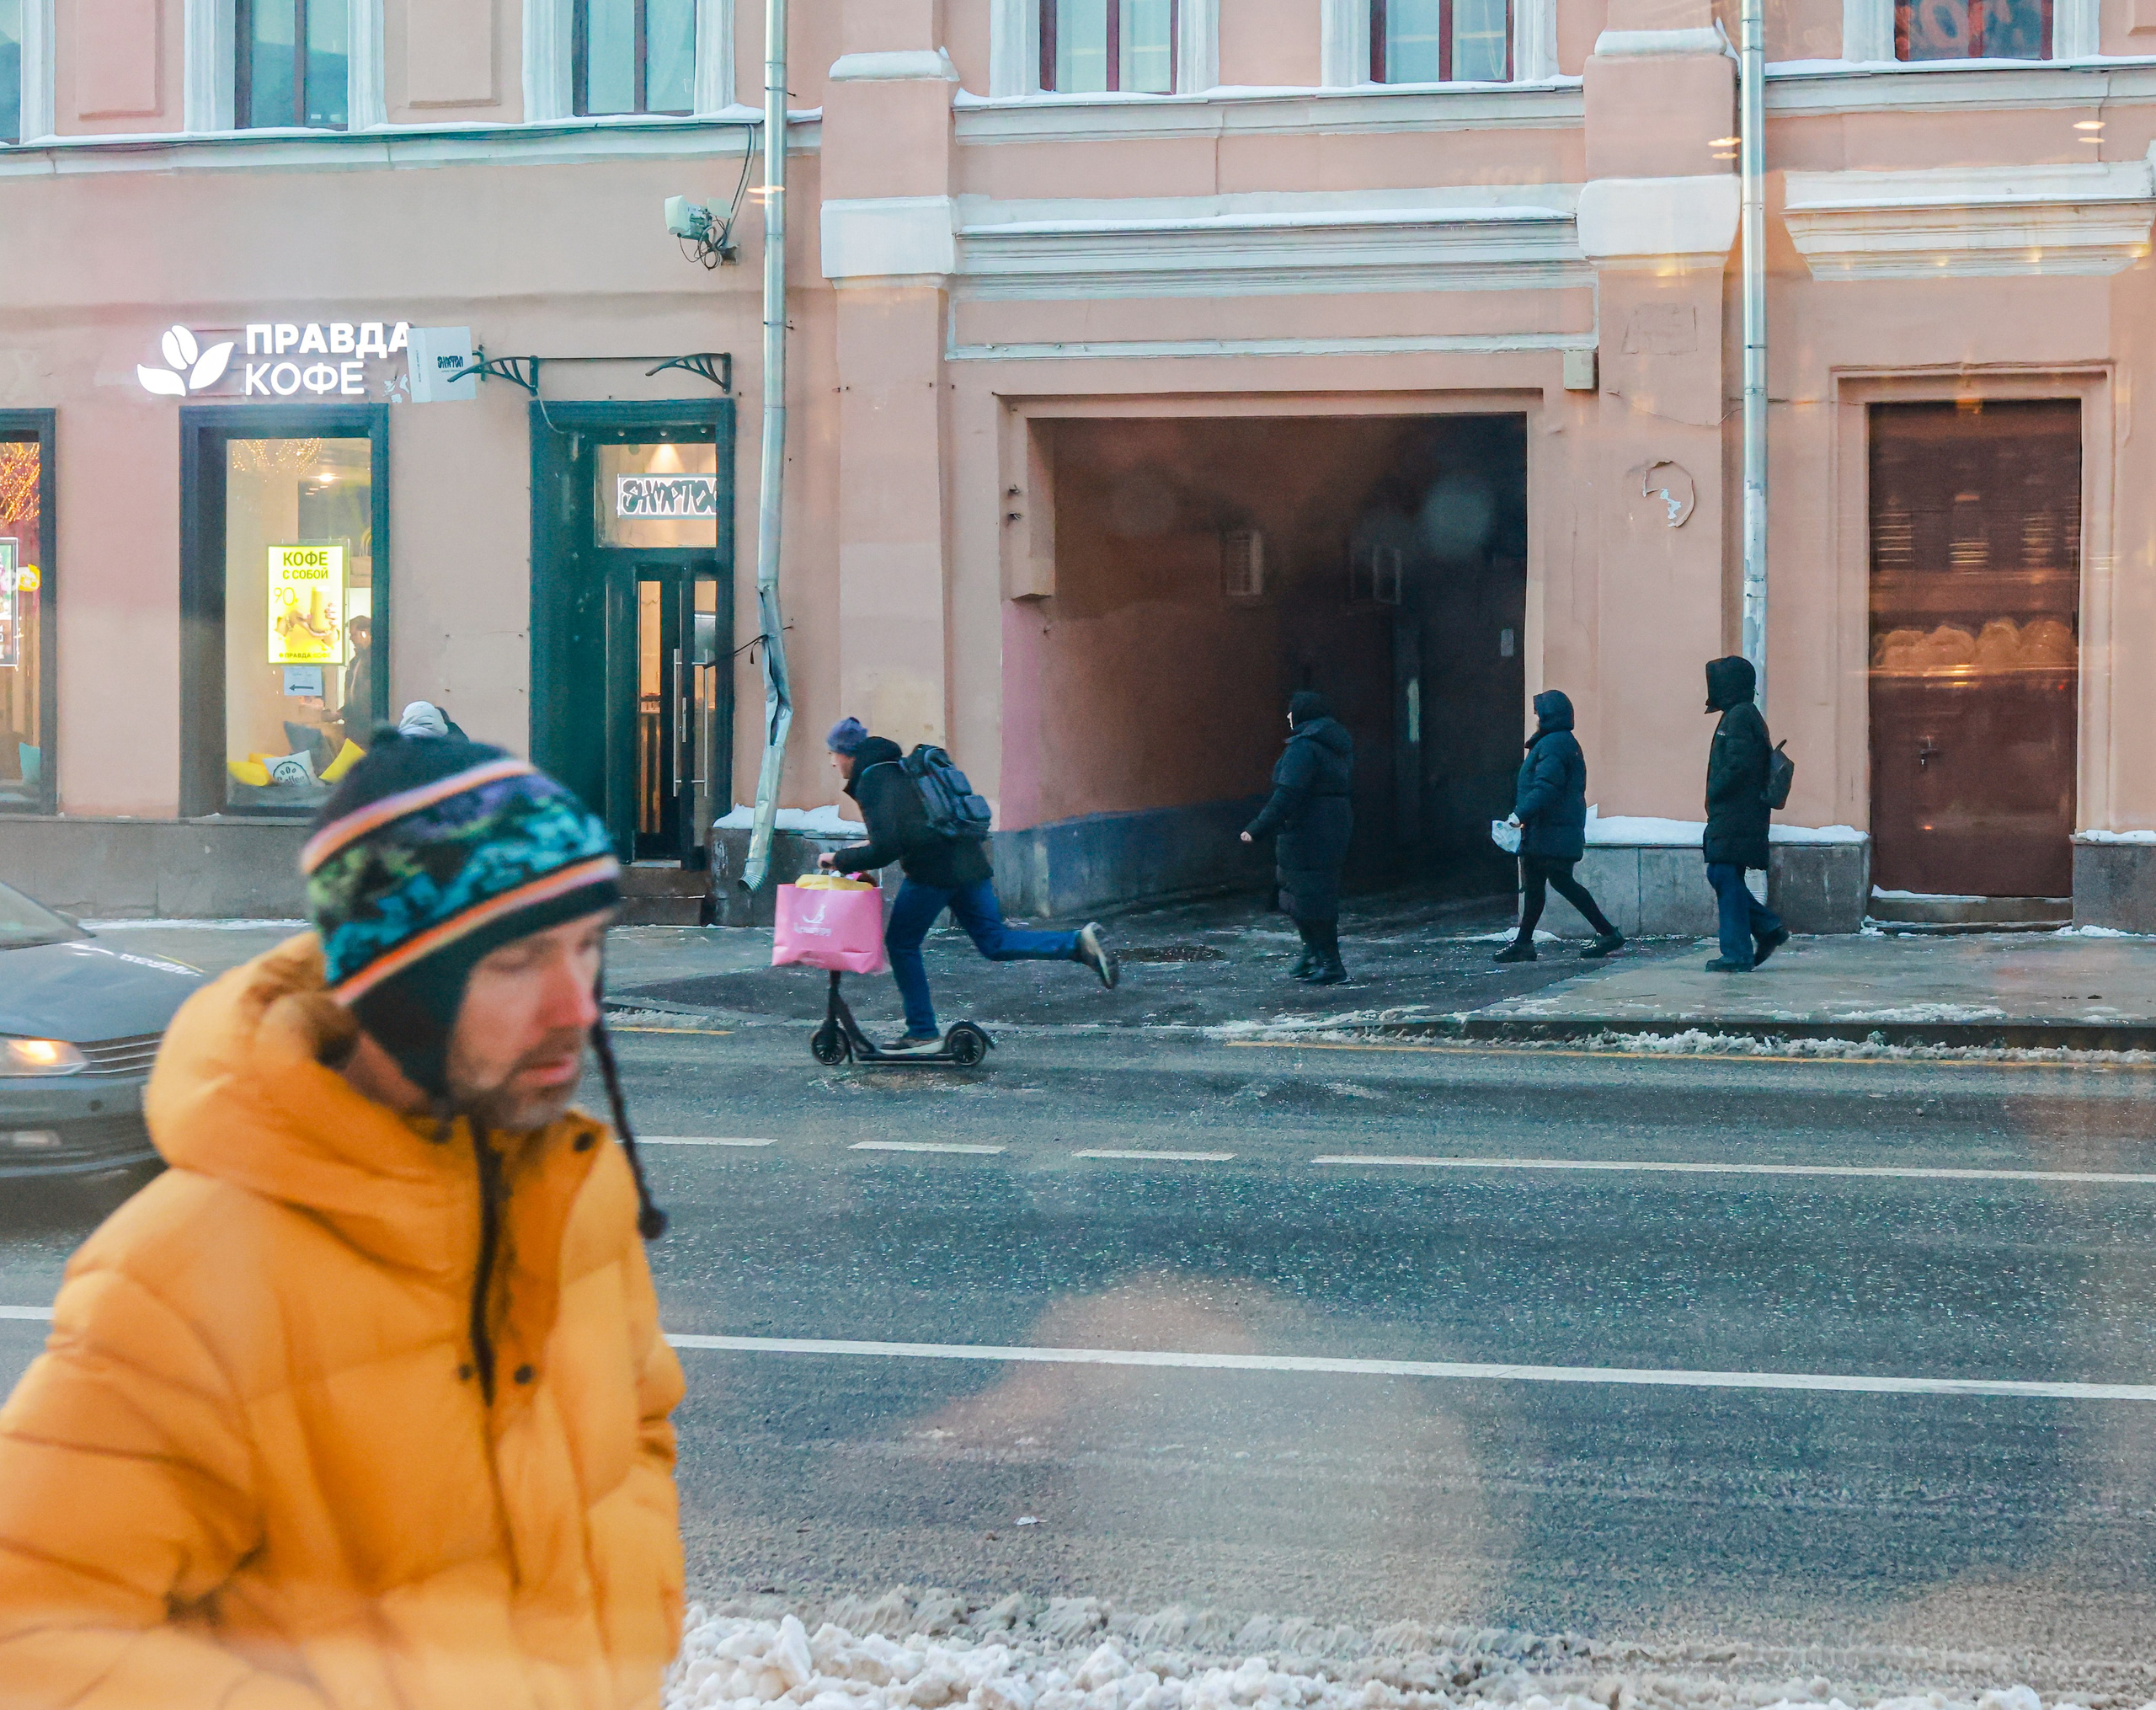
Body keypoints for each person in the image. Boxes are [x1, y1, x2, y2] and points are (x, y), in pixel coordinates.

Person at [0, 733, 686, 1706]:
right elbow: (30, 1632)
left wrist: (629, 1621)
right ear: (397, 982)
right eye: (517, 960)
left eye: (588, 947)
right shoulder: (181, 1276)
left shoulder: (578, 1188)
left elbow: (641, 1426)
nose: (577, 1004)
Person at [819, 718, 1118, 1051]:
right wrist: (849, 853)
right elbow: (903, 832)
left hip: (932, 873)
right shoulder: (898, 769)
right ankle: (1079, 944)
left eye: (833, 754)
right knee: (995, 941)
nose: (832, 762)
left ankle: (921, 1032)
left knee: (901, 944)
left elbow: (887, 847)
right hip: (968, 862)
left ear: (849, 754)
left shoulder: (873, 780)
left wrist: (841, 860)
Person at [1494, 689, 1624, 963]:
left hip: (1550, 831)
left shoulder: (1554, 743)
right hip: (1549, 831)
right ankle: (1524, 943)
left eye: (1539, 714)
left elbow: (1547, 787)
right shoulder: (1559, 742)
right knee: (1538, 885)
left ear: (1548, 716)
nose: (1537, 719)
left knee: (1559, 882)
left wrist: (1519, 815)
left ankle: (1607, 932)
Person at [1241, 691, 1353, 985]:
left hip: (1307, 831)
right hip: (1328, 827)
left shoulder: (1304, 748)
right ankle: (1313, 955)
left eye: (1291, 711)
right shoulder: (1332, 744)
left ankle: (1330, 964)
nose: (1287, 717)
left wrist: (1256, 828)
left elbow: (1287, 795)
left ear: (1302, 714)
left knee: (1311, 896)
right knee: (1300, 892)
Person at [1702, 654, 1790, 972]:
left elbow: (1738, 765)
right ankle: (1767, 929)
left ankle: (1738, 953)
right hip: (1740, 813)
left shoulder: (1739, 717)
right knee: (1723, 874)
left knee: (1723, 874)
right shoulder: (1742, 713)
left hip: (1737, 812)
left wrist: (1715, 791)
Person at [339, 612, 374, 732]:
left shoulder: (375, 660)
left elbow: (364, 695)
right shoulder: (356, 661)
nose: (350, 638)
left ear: (364, 633)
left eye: (353, 634)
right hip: (354, 724)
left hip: (366, 724)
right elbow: (352, 694)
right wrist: (342, 712)